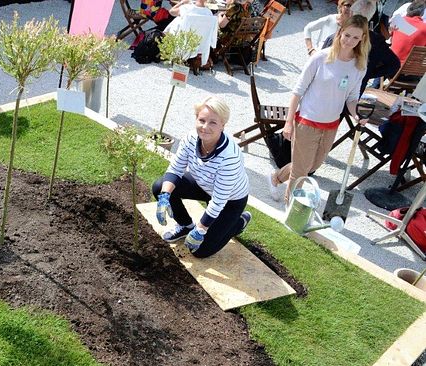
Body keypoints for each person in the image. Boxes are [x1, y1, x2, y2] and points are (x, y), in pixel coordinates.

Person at [267, 15, 370, 203]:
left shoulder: (359, 66)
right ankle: (290, 210)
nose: (350, 41)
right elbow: (297, 91)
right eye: (347, 35)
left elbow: (352, 98)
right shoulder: (321, 58)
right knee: (300, 172)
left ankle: (276, 177)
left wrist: (356, 114)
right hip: (307, 120)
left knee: (312, 165)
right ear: (339, 33)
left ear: (362, 38)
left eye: (356, 38)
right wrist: (288, 123)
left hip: (331, 124)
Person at [153, 97, 252, 258]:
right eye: (202, 120)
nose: (205, 127)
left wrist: (200, 230)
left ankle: (238, 221)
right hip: (204, 185)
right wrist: (164, 197)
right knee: (160, 187)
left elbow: (219, 201)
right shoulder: (190, 138)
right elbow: (175, 169)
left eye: (213, 122)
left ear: (223, 125)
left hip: (229, 201)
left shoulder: (230, 157)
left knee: (200, 250)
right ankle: (185, 225)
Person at [391, 0, 426, 65]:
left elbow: (391, 38)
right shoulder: (424, 28)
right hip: (411, 69)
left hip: (392, 64)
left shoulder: (398, 20)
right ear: (422, 13)